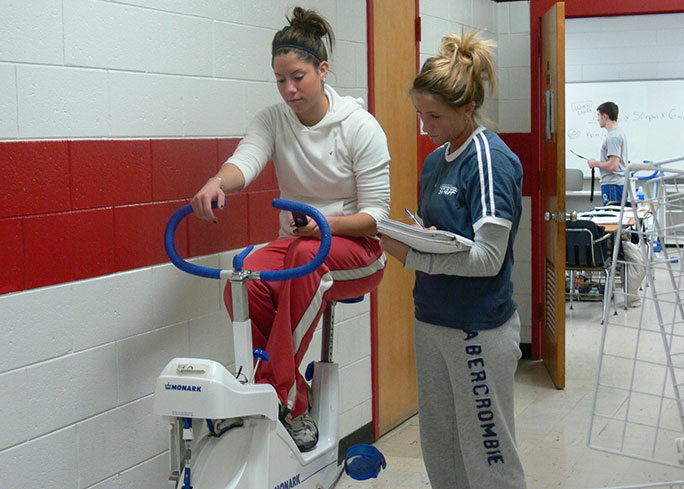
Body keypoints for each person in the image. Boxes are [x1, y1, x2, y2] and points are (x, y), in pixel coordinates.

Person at [191, 7, 390, 452]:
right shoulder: (273, 119)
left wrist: (322, 226)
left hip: (359, 251)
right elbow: (245, 160)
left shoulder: (360, 127)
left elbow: (376, 217)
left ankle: (275, 396)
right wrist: (216, 182)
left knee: (303, 259)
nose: (289, 89)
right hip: (300, 246)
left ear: (323, 70)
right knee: (244, 276)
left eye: (298, 77)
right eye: (280, 80)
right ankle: (282, 393)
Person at [380, 32, 527, 489]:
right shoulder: (436, 161)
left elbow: (486, 258)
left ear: (467, 108)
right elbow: (442, 238)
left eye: (435, 116)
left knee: (488, 456)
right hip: (433, 320)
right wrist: (416, 239)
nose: (425, 127)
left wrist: (412, 256)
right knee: (441, 449)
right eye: (421, 115)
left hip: (477, 328)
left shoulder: (489, 159)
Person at [588, 102, 629, 205]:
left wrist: (595, 163)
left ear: (605, 116)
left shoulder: (613, 136)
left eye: (598, 115)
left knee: (613, 218)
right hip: (614, 184)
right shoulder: (615, 134)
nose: (598, 119)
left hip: (613, 185)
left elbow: (613, 165)